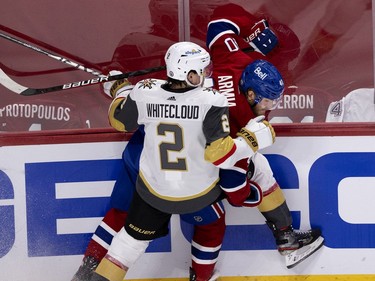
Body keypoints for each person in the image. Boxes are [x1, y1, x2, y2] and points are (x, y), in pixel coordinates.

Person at [87, 41, 275, 281]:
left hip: (153, 194)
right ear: (190, 74)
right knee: (211, 226)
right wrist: (251, 139)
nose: (209, 74)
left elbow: (120, 121)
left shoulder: (145, 90)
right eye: (204, 71)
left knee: (125, 248)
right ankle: (201, 277)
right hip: (199, 195)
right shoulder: (212, 100)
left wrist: (120, 89)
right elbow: (220, 154)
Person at [206, 3, 323, 267]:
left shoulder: (235, 60)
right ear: (250, 95)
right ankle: (287, 241)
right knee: (259, 168)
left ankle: (287, 240)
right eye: (267, 102)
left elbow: (221, 17)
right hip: (200, 149)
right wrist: (254, 194)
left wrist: (253, 26)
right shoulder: (244, 123)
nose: (271, 108)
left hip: (183, 112)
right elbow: (233, 188)